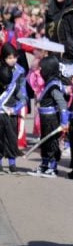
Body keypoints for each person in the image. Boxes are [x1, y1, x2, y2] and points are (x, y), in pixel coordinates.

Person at [34, 55, 69, 177]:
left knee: (52, 143)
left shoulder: (54, 85)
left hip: (52, 119)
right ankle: (44, 164)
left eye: (42, 69)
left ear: (48, 69)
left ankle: (52, 167)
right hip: (45, 119)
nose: (40, 71)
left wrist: (64, 122)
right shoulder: (49, 83)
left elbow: (62, 104)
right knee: (44, 142)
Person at [0, 42, 28, 173]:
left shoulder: (20, 71)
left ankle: (12, 163)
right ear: (3, 57)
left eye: (14, 57)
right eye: (9, 57)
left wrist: (17, 107)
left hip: (11, 109)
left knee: (12, 137)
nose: (12, 60)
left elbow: (23, 95)